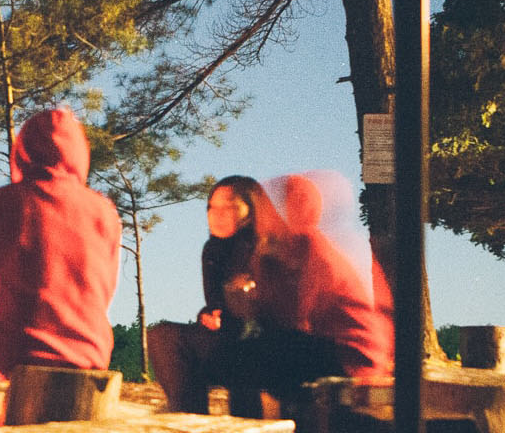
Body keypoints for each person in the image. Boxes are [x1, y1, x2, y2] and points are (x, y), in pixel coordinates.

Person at [146, 175, 393, 418]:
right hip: (326, 350)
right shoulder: (261, 248)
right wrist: (223, 312)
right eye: (212, 207)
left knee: (217, 352)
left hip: (343, 356)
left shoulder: (303, 245)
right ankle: (202, 420)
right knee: (218, 349)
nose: (217, 215)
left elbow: (294, 317)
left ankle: (207, 423)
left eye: (230, 207)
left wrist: (249, 305)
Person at [0, 107, 121, 431]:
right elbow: (107, 287)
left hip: (21, 346)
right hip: (90, 349)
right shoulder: (106, 212)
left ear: (22, 152)